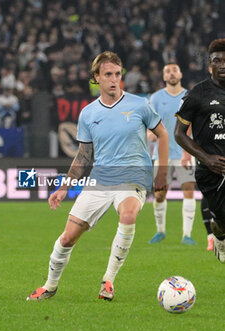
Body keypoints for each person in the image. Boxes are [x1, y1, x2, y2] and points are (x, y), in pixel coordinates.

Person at [27, 51, 169, 301]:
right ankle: (49, 286)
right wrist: (64, 187)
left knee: (128, 214)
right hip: (100, 180)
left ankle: (108, 281)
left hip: (133, 176)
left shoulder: (139, 105)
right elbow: (83, 156)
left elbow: (163, 135)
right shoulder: (88, 114)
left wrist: (162, 174)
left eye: (117, 74)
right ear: (96, 78)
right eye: (108, 75)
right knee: (67, 238)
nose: (114, 79)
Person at [174, 38, 225, 263]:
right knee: (222, 220)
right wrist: (206, 158)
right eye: (217, 60)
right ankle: (219, 234)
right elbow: (179, 133)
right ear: (209, 65)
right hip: (210, 172)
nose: (223, 64)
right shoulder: (197, 94)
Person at [147, 63, 196, 245]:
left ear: (181, 73)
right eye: (168, 71)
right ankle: (160, 231)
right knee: (160, 193)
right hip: (162, 154)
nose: (172, 73)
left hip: (185, 152)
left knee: (188, 190)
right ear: (163, 76)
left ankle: (187, 235)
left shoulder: (189, 96)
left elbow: (191, 124)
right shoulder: (156, 98)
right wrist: (149, 133)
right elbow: (149, 121)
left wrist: (186, 152)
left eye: (175, 70)